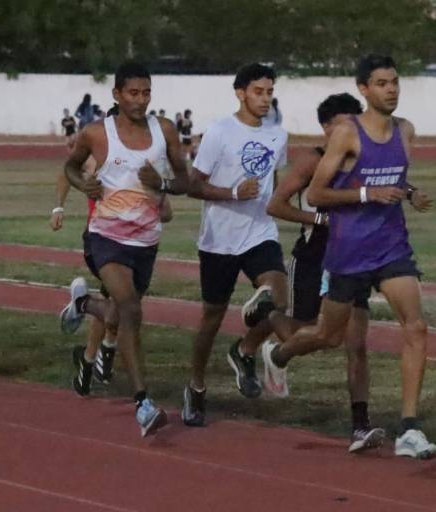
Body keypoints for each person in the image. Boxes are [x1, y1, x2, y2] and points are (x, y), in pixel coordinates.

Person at [262, 54, 436, 459]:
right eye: (381, 83)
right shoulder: (347, 133)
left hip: (392, 247)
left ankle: (409, 428)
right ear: (364, 89)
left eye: (395, 82)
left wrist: (409, 193)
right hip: (348, 252)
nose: (391, 89)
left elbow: (391, 176)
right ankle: (280, 352)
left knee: (416, 327)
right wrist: (365, 194)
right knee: (328, 335)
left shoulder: (405, 130)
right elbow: (318, 194)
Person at [60, 61, 189, 436]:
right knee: (131, 310)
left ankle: (85, 305)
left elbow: (185, 180)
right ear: (116, 94)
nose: (140, 100)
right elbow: (69, 167)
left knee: (118, 313)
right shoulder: (97, 133)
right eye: (133, 93)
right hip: (105, 237)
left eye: (146, 92)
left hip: (145, 242)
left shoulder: (163, 130)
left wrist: (162, 183)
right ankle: (143, 403)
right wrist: (84, 186)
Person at [266, 92, 388, 453]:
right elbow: (276, 205)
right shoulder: (313, 161)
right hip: (314, 257)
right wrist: (319, 219)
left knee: (356, 344)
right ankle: (271, 331)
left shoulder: (364, 160)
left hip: (354, 261)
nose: (352, 130)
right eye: (344, 124)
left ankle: (360, 426)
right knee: (310, 332)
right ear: (326, 128)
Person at [181, 63, 290, 427]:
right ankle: (195, 387)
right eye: (258, 91)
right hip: (218, 240)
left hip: (260, 232)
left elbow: (273, 184)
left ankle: (244, 348)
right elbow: (194, 185)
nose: (265, 98)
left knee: (278, 297)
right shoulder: (219, 132)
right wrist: (231, 193)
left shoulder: (278, 135)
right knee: (211, 318)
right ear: (240, 92)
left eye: (270, 91)